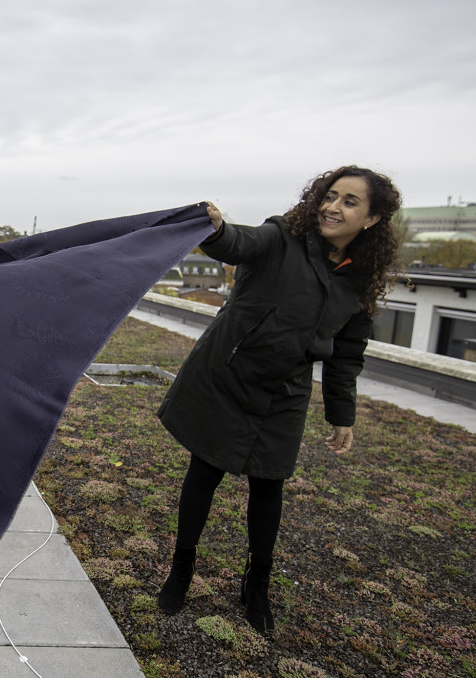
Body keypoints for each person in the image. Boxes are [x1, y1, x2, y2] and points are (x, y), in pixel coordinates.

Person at [153, 166, 402, 634]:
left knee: (269, 484)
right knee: (204, 471)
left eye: (350, 202)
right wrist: (217, 227)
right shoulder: (282, 236)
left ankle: (257, 584)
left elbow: (347, 355)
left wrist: (341, 415)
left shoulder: (361, 280)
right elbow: (236, 244)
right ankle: (181, 569)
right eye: (331, 196)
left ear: (371, 220)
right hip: (229, 373)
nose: (333, 207)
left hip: (285, 391)